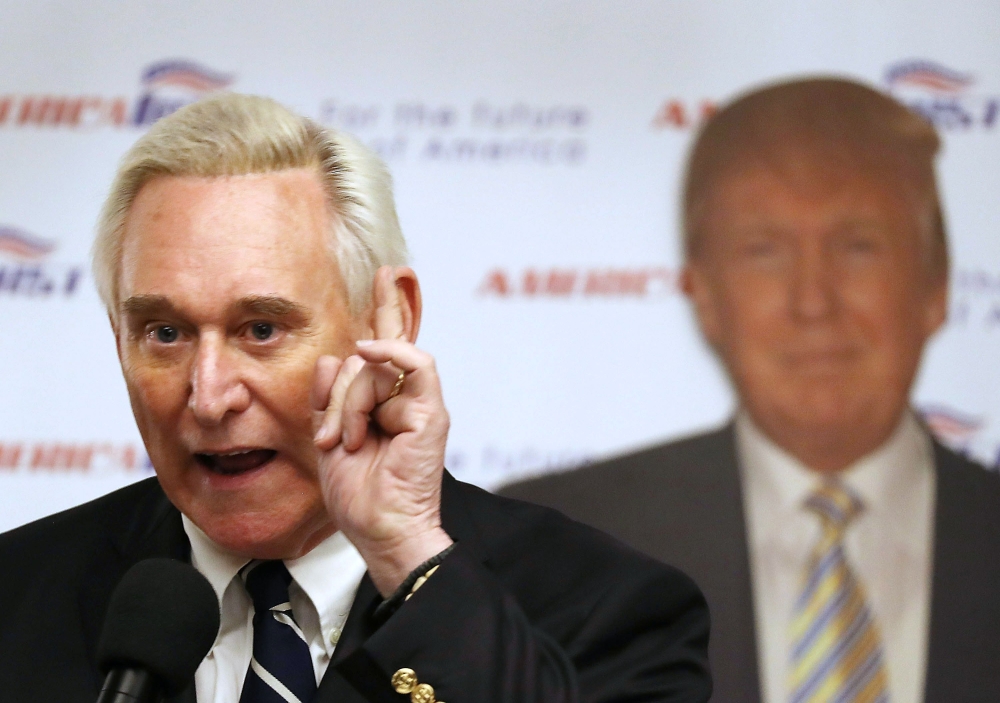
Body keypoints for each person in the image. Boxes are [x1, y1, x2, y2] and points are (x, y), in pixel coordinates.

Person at [0, 94, 711, 702]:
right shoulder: (17, 598)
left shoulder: (607, 608)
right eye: (164, 331)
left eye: (262, 328)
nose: (209, 395)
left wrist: (407, 554)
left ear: (386, 321)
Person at [501, 78, 1000, 703]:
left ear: (935, 286)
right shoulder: (550, 556)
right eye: (764, 252)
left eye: (858, 246)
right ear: (706, 298)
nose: (813, 302)